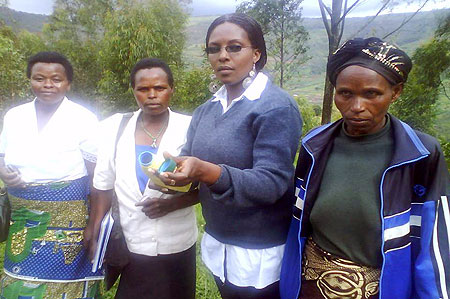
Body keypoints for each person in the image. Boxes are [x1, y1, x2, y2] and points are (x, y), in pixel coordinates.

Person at [280, 37, 450, 299]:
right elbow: (297, 220)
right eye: (345, 93)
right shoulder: (314, 145)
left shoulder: (420, 154)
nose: (357, 107)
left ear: (396, 92)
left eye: (372, 94)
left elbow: (433, 242)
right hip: (310, 284)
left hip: (381, 289)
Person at [159, 13, 302, 299]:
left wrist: (204, 172)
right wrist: (168, 174)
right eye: (214, 49)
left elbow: (271, 182)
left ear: (256, 53)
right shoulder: (207, 109)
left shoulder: (274, 107)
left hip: (258, 251)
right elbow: (190, 157)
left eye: (234, 47)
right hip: (219, 241)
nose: (223, 56)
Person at [87, 58, 198, 299]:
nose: (152, 95)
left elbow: (208, 183)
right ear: (134, 91)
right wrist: (94, 229)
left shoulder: (191, 127)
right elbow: (103, 184)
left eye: (159, 88)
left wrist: (173, 204)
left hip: (177, 241)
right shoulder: (114, 127)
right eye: (143, 89)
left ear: (171, 90)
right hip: (131, 240)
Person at [0, 51, 103, 298]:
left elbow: (98, 176)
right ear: (30, 80)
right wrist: (3, 172)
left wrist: (94, 224)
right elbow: (2, 157)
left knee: (69, 286)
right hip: (23, 222)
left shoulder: (83, 118)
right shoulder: (14, 116)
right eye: (39, 78)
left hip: (70, 225)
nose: (47, 85)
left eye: (56, 79)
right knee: (18, 283)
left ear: (68, 83)